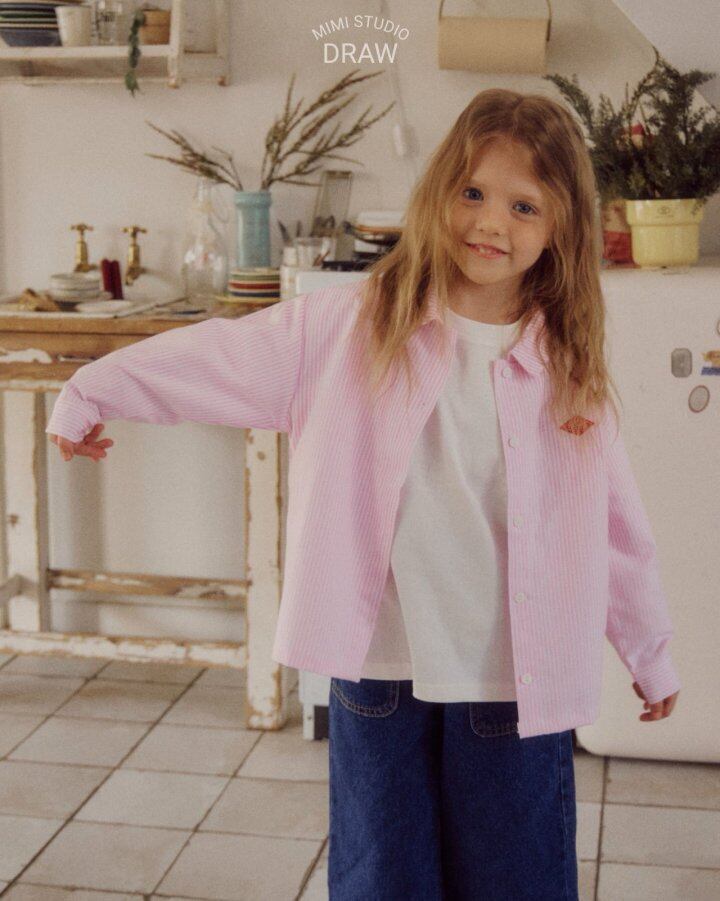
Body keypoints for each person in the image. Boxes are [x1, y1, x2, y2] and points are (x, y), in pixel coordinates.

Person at [47, 88, 680, 900]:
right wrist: (91, 389)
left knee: (515, 881)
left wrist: (648, 650)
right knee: (382, 879)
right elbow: (218, 356)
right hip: (379, 670)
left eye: (524, 206)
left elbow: (613, 527)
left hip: (511, 679)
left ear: (561, 227)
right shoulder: (348, 325)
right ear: (439, 192)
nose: (491, 222)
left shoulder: (568, 367)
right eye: (473, 192)